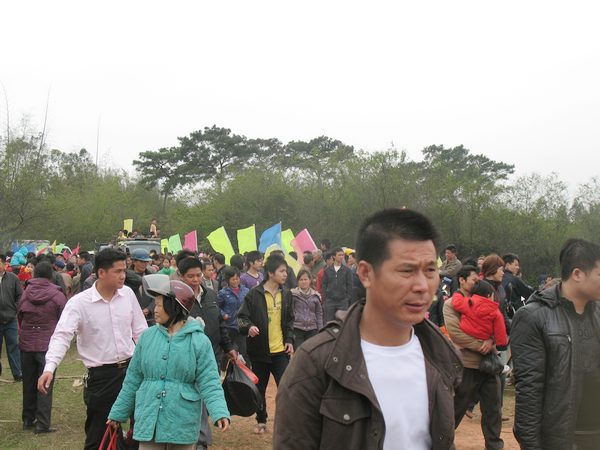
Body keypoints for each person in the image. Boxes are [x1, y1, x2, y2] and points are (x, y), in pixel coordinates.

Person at [273, 208, 463, 449]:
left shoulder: (442, 356)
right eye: (406, 270)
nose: (422, 286)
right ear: (365, 274)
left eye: (430, 271)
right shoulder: (316, 362)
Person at [38, 248, 147, 450]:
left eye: (124, 270)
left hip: (133, 370)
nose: (123, 276)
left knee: (140, 432)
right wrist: (49, 368)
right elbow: (62, 335)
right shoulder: (79, 303)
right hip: (102, 377)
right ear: (101, 272)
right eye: (118, 271)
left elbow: (141, 332)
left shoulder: (128, 294)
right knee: (100, 438)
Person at [107, 274, 230, 450]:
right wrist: (118, 412)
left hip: (182, 422)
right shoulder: (147, 337)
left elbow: (209, 381)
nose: (155, 310)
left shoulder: (199, 341)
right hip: (149, 420)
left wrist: (219, 412)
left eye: (159, 305)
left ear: (175, 307)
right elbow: (132, 379)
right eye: (155, 304)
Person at [512, 238, 600, 450]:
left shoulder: (597, 314)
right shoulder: (534, 317)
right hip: (562, 439)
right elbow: (529, 392)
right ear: (577, 274)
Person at [177, 257, 236, 449]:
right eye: (190, 276)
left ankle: (199, 436)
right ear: (181, 276)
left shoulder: (210, 295)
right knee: (196, 399)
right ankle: (200, 440)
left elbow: (220, 323)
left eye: (198, 275)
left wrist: (229, 348)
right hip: (188, 358)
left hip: (214, 355)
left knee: (207, 396)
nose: (195, 280)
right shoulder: (176, 299)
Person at [444, 265, 504, 449]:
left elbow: (499, 327)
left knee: (493, 410)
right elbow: (456, 334)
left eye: (478, 281)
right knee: (457, 408)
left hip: (488, 366)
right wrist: (483, 345)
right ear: (462, 281)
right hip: (466, 365)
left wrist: (491, 340)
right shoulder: (451, 304)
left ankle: (494, 446)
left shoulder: (487, 303)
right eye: (474, 280)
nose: (477, 283)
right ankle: (441, 443)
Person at [238, 254, 295, 435]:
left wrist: (289, 340)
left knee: (286, 388)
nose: (285, 274)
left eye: (286, 271)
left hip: (280, 352)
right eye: (282, 271)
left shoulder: (286, 294)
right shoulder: (254, 294)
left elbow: (290, 321)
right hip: (259, 352)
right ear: (271, 273)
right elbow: (241, 318)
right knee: (260, 389)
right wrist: (249, 327)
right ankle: (261, 420)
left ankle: (286, 422)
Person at [17, 261, 67, 433]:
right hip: (47, 344)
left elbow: (20, 315)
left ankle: (27, 419)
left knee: (28, 382)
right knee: (45, 383)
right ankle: (42, 423)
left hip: (26, 343)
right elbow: (64, 319)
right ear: (51, 275)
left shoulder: (25, 293)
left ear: (35, 274)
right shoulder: (57, 295)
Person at [452, 280, 508, 348]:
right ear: (489, 295)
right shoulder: (495, 311)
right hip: (484, 338)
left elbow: (456, 303)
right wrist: (501, 345)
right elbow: (500, 330)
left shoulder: (468, 302)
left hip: (466, 332)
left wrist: (457, 293)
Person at [217, 266, 250, 366]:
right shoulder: (223, 293)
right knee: (228, 354)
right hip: (229, 327)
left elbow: (250, 306)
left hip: (242, 326)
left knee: (243, 353)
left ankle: (243, 372)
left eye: (237, 278)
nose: (236, 281)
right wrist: (223, 314)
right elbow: (216, 307)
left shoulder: (245, 291)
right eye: (233, 279)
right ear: (228, 280)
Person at [0, 254, 23, 381]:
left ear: (5, 264)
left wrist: (15, 308)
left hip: (10, 319)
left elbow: (20, 296)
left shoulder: (13, 278)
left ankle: (17, 373)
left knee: (13, 346)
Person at [291, 270, 323, 348]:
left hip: (312, 329)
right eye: (301, 280)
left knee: (311, 350)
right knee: (299, 351)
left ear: (310, 280)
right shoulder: (293, 295)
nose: (303, 282)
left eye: (305, 279)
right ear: (298, 281)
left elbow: (319, 313)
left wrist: (321, 329)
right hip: (297, 328)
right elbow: (290, 312)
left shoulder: (315, 296)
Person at [321, 247, 354, 322]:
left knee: (342, 323)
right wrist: (325, 299)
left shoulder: (347, 270)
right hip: (330, 301)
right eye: (339, 255)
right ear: (334, 256)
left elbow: (350, 285)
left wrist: (347, 298)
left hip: (342, 301)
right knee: (329, 323)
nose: (341, 257)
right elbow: (324, 285)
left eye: (342, 255)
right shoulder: (327, 270)